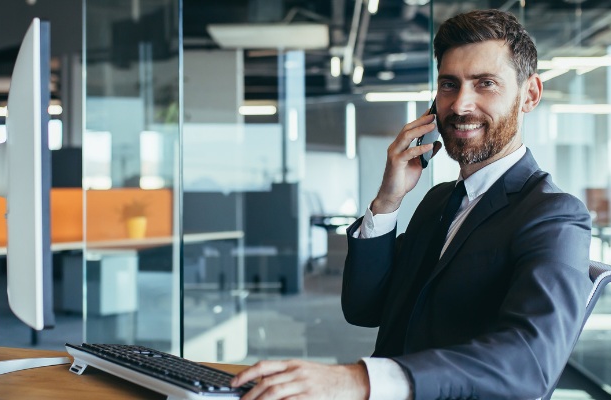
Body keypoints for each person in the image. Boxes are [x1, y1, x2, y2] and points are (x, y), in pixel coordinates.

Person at [231, 9, 592, 400]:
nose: (459, 105)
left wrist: (359, 381)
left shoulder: (553, 215)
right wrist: (388, 201)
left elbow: (531, 362)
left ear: (530, 95)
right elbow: (364, 308)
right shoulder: (440, 201)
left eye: (485, 84)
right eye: (449, 85)